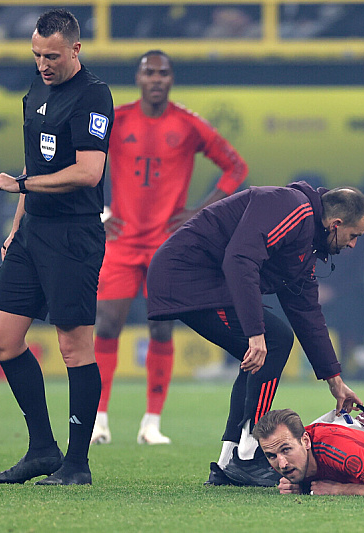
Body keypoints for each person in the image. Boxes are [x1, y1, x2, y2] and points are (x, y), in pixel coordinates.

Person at [146, 182, 364, 486]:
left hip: (200, 278)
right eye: (354, 235)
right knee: (275, 340)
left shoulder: (307, 242)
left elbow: (306, 311)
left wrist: (335, 380)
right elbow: (240, 259)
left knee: (265, 349)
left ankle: (230, 461)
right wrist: (255, 333)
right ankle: (248, 454)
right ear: (336, 224)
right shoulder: (293, 207)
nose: (353, 244)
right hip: (190, 276)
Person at [91, 50, 249, 446]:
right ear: (139, 78)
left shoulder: (189, 124)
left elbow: (236, 167)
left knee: (161, 327)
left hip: (167, 245)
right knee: (107, 323)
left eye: (163, 73)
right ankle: (99, 418)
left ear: (171, 79)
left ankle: (151, 422)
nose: (157, 79)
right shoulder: (118, 120)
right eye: (150, 73)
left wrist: (200, 211)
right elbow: (85, 162)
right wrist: (101, 210)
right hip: (121, 240)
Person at [0, 9, 114, 485]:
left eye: (52, 56)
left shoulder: (93, 95)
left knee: (74, 346)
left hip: (73, 235)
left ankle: (77, 464)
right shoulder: (35, 89)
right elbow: (33, 160)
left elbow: (88, 172)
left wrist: (19, 188)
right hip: (32, 231)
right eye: (37, 54)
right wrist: (17, 225)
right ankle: (42, 448)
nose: (43, 64)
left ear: (75, 50)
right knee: (2, 339)